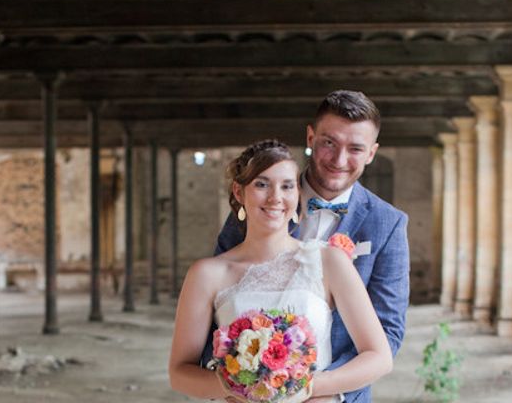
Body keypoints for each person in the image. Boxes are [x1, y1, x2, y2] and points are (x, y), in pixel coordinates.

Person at [209, 91, 410, 403]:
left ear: (372, 152)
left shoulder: (388, 224)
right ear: (311, 137)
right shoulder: (259, 204)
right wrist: (233, 382)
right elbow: (216, 306)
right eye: (329, 143)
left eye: (355, 148)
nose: (339, 160)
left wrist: (320, 392)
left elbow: (388, 332)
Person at [169, 140, 393, 402]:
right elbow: (179, 373)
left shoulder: (329, 261)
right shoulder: (207, 274)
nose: (276, 197)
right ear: (239, 192)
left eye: (287, 186)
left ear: (297, 193)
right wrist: (237, 388)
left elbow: (380, 357)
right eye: (262, 185)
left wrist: (309, 387)